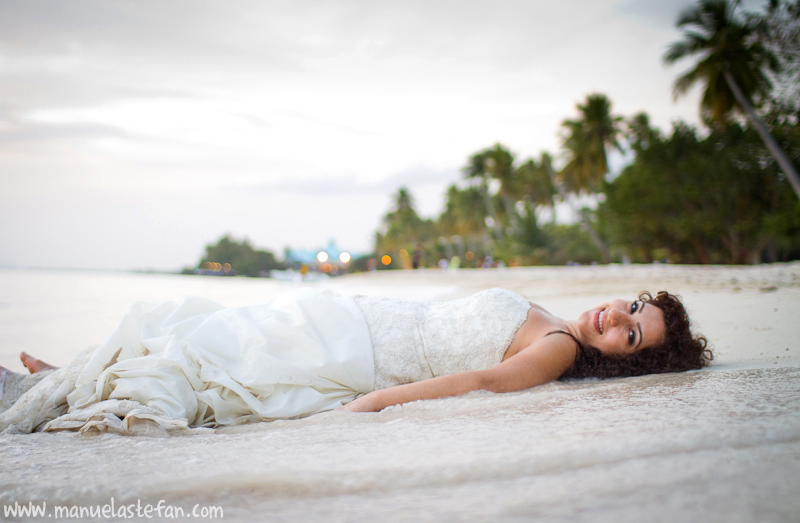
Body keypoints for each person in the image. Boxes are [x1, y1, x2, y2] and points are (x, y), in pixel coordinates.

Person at [0, 288, 711, 435]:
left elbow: (480, 381)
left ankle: (76, 385)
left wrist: (377, 402)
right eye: (632, 309)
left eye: (631, 336)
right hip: (366, 317)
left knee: (225, 349)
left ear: (623, 362)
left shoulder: (557, 350)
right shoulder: (558, 321)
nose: (616, 319)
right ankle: (74, 370)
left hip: (363, 348)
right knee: (223, 328)